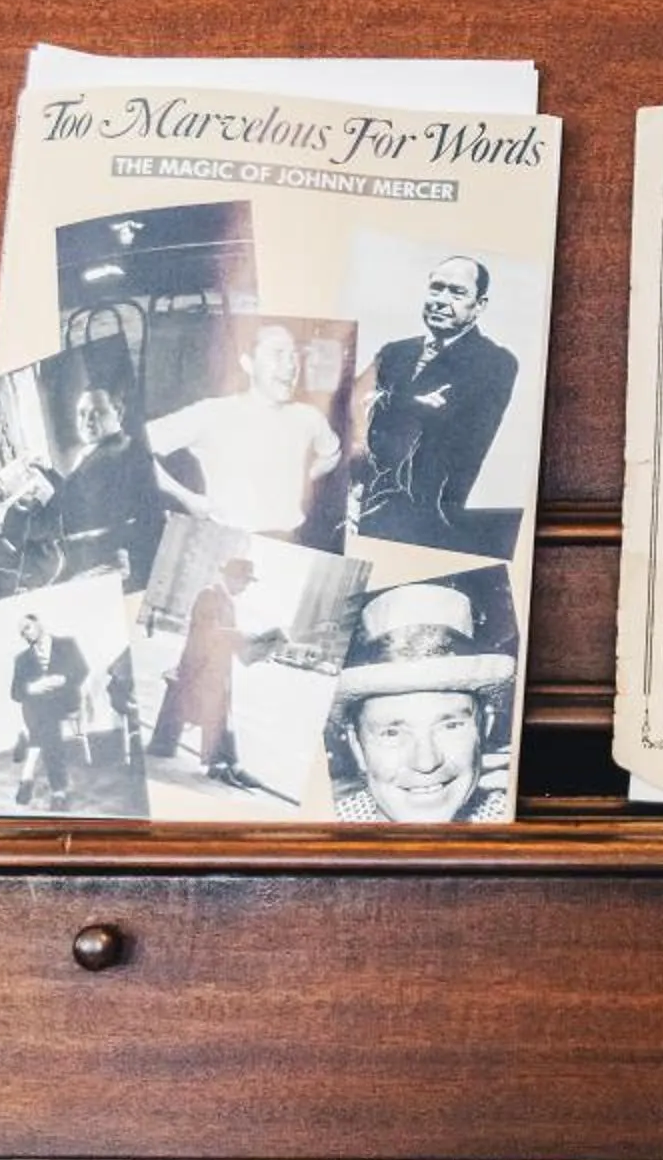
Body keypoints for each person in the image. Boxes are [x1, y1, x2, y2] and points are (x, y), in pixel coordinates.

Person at [351, 256, 518, 553]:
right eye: (436, 288)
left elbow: (447, 420)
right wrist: (409, 404)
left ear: (479, 305)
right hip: (363, 502)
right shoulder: (394, 352)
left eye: (457, 292)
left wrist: (385, 402)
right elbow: (354, 403)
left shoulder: (495, 362)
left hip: (425, 520)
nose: (441, 300)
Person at [328, 580, 515, 826]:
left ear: (484, 728)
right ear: (356, 746)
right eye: (392, 732)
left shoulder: (514, 827)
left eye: (451, 726)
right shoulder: (320, 832)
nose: (426, 762)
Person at [145, 323, 341, 543]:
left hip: (292, 539)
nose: (290, 366)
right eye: (278, 354)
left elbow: (332, 453)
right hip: (227, 540)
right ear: (248, 364)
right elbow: (137, 445)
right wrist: (188, 499)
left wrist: (308, 474)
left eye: (294, 356)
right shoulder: (212, 413)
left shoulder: (309, 417)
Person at [147, 553, 265, 790]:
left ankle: (225, 765)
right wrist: (240, 636)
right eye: (244, 581)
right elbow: (206, 633)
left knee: (221, 715)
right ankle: (225, 766)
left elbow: (222, 636)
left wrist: (257, 647)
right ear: (230, 577)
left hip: (216, 668)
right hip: (200, 668)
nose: (245, 587)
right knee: (217, 714)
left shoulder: (226, 600)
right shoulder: (209, 595)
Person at [49, 386, 161, 586]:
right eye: (82, 414)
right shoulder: (98, 451)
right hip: (90, 553)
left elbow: (90, 514)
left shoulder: (117, 453)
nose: (87, 421)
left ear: (118, 412)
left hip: (108, 559)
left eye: (97, 413)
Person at [8, 612, 89, 809]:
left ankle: (26, 776)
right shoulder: (22, 659)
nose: (25, 634)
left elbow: (81, 670)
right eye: (22, 632)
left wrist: (63, 679)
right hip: (40, 709)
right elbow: (15, 693)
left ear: (38, 623)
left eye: (27, 627)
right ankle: (58, 790)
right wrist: (31, 688)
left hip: (65, 700)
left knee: (41, 720)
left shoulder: (67, 644)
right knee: (46, 722)